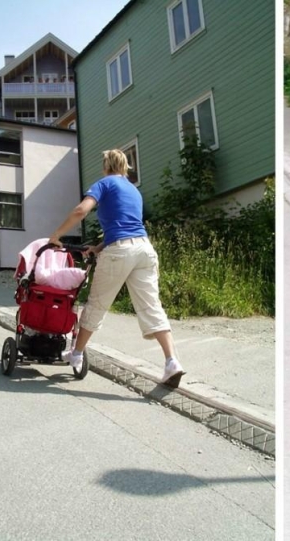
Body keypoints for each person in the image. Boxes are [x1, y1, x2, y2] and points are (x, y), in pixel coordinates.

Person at [48, 149, 186, 387]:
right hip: (144, 250)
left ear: (106, 166)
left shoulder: (104, 183)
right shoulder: (134, 190)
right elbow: (127, 227)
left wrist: (56, 235)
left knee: (97, 304)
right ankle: (172, 361)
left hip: (120, 252)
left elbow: (81, 210)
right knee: (152, 306)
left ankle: (77, 353)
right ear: (125, 167)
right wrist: (98, 247)